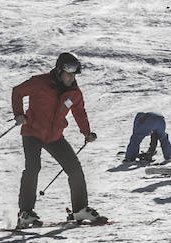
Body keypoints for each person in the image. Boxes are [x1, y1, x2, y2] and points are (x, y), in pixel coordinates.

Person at [11, 52, 103, 227]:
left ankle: (79, 210)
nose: (71, 77)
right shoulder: (40, 82)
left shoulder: (74, 92)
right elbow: (17, 92)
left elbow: (79, 112)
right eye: (68, 73)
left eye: (74, 74)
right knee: (33, 168)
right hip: (32, 132)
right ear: (59, 70)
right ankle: (25, 213)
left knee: (74, 169)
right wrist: (19, 114)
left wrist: (86, 132)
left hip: (54, 136)